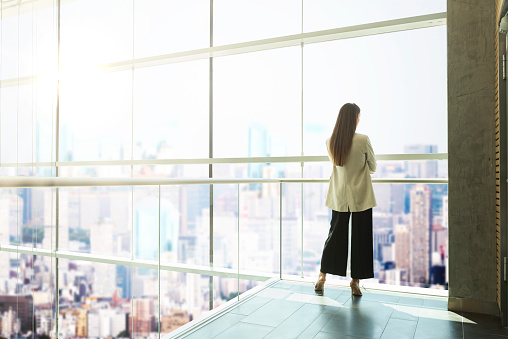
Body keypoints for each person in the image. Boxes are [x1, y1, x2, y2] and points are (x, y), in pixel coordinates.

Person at [314, 103, 377, 296]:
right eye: (359, 116)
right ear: (354, 118)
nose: (360, 119)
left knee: (335, 236)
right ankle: (355, 282)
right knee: (361, 239)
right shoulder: (363, 140)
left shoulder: (330, 141)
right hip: (361, 197)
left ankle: (322, 277)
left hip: (339, 196)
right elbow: (373, 167)